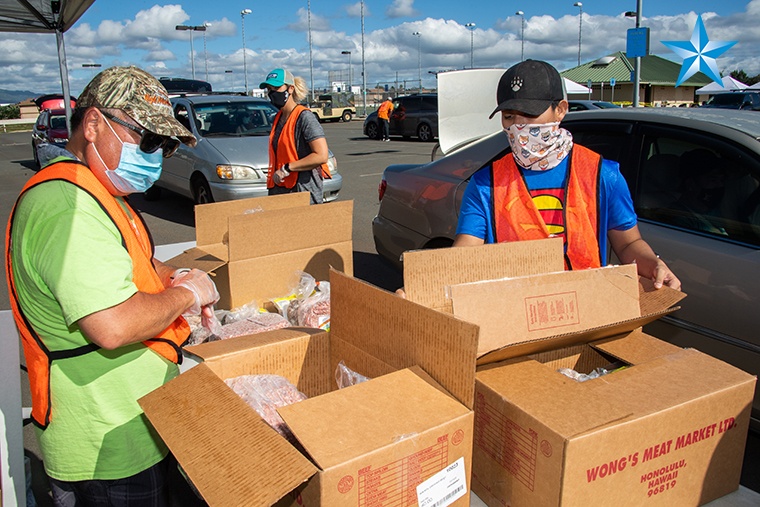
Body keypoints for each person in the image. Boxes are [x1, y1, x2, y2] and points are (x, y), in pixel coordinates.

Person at [5, 66, 219, 506]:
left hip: (137, 422)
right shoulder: (67, 208)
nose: (158, 155)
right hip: (105, 444)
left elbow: (135, 263)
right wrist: (188, 294)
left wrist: (175, 277)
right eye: (148, 138)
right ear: (94, 124)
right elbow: (112, 326)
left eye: (167, 145)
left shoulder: (95, 192)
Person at [455, 60, 681, 290]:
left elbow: (628, 243)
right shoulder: (486, 183)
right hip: (516, 309)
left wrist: (655, 265)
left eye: (528, 114)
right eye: (509, 116)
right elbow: (465, 251)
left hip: (586, 306)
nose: (518, 126)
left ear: (561, 110)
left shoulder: (602, 175)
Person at [260, 68, 331, 204]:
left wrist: (287, 168)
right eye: (269, 89)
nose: (272, 93)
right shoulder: (278, 118)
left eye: (276, 87)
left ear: (290, 88)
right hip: (280, 191)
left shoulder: (304, 117)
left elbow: (321, 155)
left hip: (303, 192)